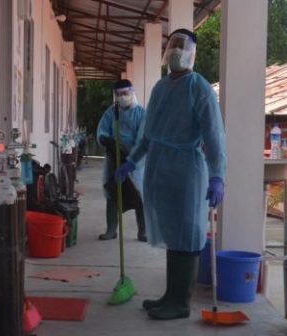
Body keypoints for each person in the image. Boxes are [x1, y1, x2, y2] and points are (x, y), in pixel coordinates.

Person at [115, 29, 226, 320]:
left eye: (182, 45)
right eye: (172, 44)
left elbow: (214, 136)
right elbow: (148, 133)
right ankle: (170, 294)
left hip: (188, 170)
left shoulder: (199, 88)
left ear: (192, 53)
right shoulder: (160, 88)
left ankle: (181, 303)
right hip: (160, 167)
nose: (176, 50)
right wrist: (132, 161)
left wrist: (218, 175)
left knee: (187, 234)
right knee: (173, 233)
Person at [96, 79, 147, 242]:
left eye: (125, 93)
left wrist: (132, 159)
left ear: (131, 93)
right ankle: (111, 229)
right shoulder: (111, 113)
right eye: (118, 94)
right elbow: (101, 131)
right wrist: (105, 140)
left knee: (139, 197)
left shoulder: (141, 113)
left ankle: (143, 231)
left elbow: (143, 139)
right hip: (114, 160)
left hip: (134, 163)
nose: (122, 97)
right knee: (112, 194)